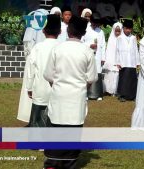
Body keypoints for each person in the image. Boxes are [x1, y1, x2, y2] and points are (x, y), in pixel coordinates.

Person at [43, 16, 97, 169]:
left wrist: (58, 84)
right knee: (73, 129)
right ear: (84, 33)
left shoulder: (57, 49)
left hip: (59, 95)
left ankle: (51, 164)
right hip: (77, 97)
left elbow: (48, 75)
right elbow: (92, 77)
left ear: (68, 30)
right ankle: (69, 164)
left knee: (56, 126)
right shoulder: (87, 52)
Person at [25, 14, 61, 127]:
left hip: (40, 90)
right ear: (60, 32)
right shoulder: (63, 47)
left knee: (38, 121)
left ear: (43, 31)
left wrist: (29, 87)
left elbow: (30, 70)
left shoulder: (37, 47)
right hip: (59, 91)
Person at [17, 8, 49, 123]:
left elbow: (27, 46)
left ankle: (33, 117)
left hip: (33, 61)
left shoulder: (31, 28)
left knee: (32, 88)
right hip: (43, 60)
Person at [82, 13, 106, 101]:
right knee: (88, 72)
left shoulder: (101, 31)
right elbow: (81, 41)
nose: (95, 25)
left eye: (97, 23)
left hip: (98, 55)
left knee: (98, 73)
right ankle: (87, 93)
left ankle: (98, 94)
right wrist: (89, 45)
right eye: (94, 22)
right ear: (91, 21)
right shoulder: (86, 30)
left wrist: (103, 57)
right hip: (88, 54)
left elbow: (103, 45)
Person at [116, 19, 140, 102]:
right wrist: (118, 62)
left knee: (132, 79)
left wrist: (137, 62)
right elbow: (117, 51)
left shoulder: (133, 38)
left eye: (130, 29)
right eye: (126, 28)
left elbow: (136, 50)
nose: (128, 30)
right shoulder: (119, 38)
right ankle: (122, 95)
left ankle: (132, 95)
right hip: (123, 61)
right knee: (123, 79)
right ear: (123, 28)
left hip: (132, 61)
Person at [102, 22, 123, 96]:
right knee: (110, 74)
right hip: (111, 60)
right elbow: (109, 51)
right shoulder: (111, 39)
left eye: (119, 31)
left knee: (117, 74)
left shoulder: (122, 39)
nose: (117, 33)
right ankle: (109, 90)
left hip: (119, 60)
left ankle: (116, 90)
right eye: (116, 31)